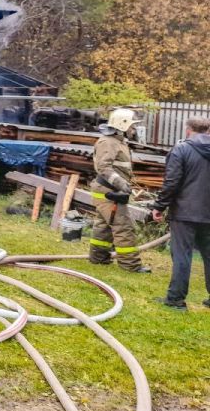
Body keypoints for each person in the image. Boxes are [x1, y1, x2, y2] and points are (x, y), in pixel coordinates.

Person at [150, 116, 210, 310]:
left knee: (182, 255)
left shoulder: (182, 149)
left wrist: (159, 206)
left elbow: (172, 182)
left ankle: (176, 300)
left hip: (185, 212)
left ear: (188, 129)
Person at [88, 108, 150, 273]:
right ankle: (131, 265)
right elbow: (103, 168)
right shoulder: (108, 142)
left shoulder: (119, 141)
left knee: (103, 226)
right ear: (122, 125)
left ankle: (98, 258)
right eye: (131, 126)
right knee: (123, 227)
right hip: (110, 191)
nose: (133, 129)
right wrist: (122, 184)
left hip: (109, 190)